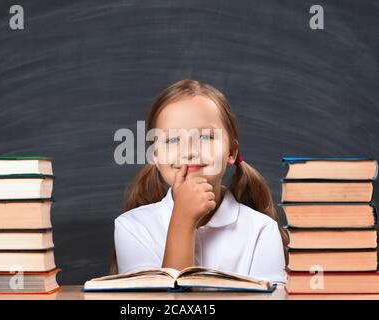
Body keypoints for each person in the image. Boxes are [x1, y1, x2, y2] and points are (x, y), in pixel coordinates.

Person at [111, 79, 288, 283]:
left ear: (231, 152)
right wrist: (183, 221)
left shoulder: (262, 230)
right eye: (172, 140)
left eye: (205, 137)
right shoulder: (132, 227)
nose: (189, 151)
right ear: (155, 157)